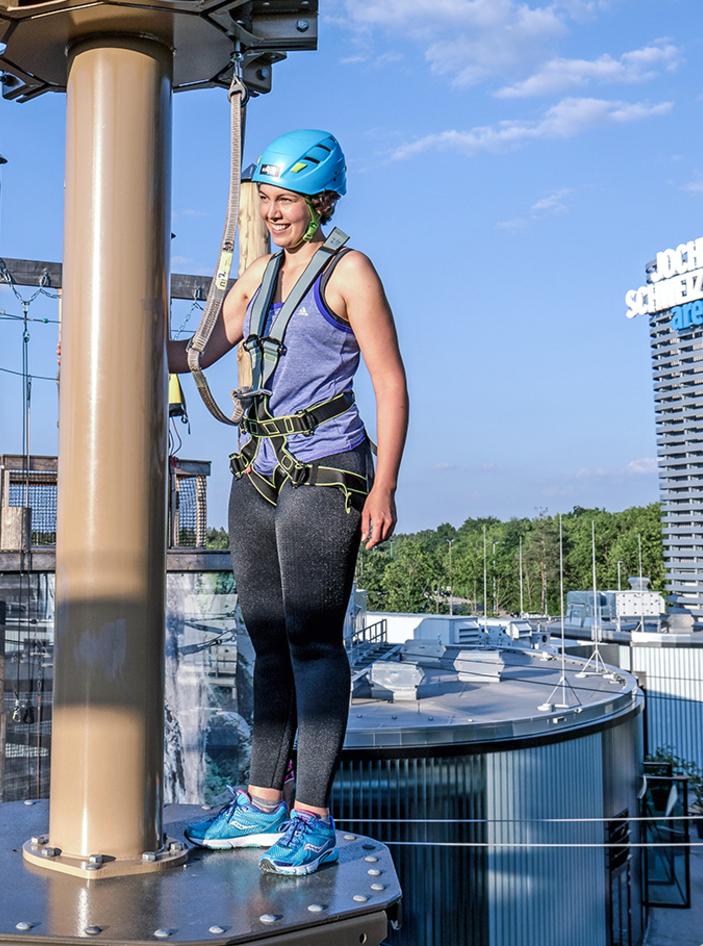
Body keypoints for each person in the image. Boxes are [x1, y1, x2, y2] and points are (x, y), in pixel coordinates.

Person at [170, 129, 409, 875]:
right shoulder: (258, 275)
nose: (273, 212)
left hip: (327, 472)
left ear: (321, 200)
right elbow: (194, 353)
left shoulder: (350, 272)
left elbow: (390, 382)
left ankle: (312, 816)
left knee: (312, 641)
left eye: (287, 200)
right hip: (257, 469)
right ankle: (261, 803)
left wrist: (386, 486)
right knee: (265, 640)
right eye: (266, 199)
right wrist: (97, 339)